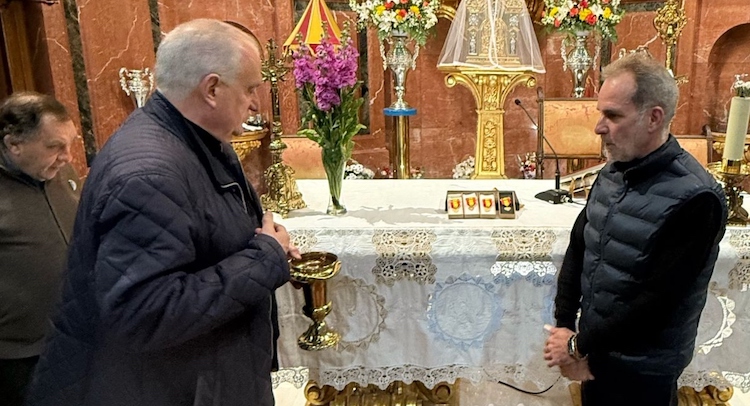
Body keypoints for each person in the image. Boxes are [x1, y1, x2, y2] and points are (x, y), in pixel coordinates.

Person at [27, 19, 299, 406]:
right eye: (250, 88)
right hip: (161, 388)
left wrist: (265, 244)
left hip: (198, 376)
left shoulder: (195, 140)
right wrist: (264, 258)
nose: (256, 103)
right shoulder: (150, 174)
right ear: (212, 89)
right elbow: (146, 313)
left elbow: (200, 243)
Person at [543, 53, 727, 406]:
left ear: (653, 118)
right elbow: (580, 246)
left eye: (613, 115)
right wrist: (565, 324)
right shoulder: (613, 171)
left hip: (644, 371)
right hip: (598, 354)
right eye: (601, 113)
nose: (599, 127)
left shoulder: (697, 198)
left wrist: (577, 346)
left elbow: (658, 302)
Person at [0, 92, 80, 406]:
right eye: (54, 146)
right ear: (14, 144)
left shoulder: (62, 174)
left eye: (70, 144)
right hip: (17, 358)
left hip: (74, 337)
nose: (67, 157)